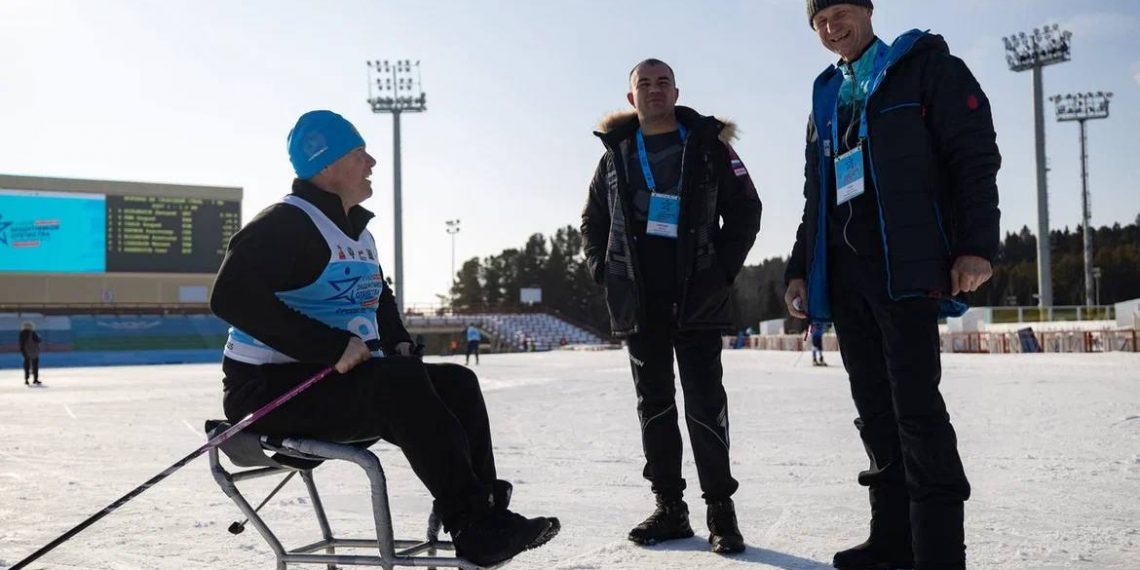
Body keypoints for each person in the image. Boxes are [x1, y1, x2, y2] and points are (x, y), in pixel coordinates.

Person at [210, 110, 559, 568]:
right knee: (395, 385)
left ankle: (483, 515)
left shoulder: (359, 232)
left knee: (457, 383)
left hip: (331, 383)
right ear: (327, 164)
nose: (371, 162)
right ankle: (472, 522)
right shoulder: (285, 223)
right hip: (269, 392)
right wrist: (331, 347)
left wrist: (397, 343)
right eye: (359, 153)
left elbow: (379, 298)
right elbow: (230, 296)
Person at [784, 3, 1000, 569]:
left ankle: (938, 552)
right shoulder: (826, 92)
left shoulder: (922, 67)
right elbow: (817, 192)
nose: (832, 26)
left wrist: (975, 244)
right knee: (874, 409)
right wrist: (799, 267)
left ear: (867, 10)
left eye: (840, 12)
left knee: (916, 410)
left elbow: (973, 155)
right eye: (820, 20)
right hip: (845, 273)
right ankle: (893, 537)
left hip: (903, 266)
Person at [581, 58, 762, 555]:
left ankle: (721, 512)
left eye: (663, 83)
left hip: (696, 297)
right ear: (631, 98)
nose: (655, 90)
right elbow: (592, 221)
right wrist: (605, 271)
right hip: (640, 301)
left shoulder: (709, 146)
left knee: (706, 404)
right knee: (654, 407)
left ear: (677, 91)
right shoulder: (614, 154)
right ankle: (670, 508)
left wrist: (719, 272)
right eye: (645, 84)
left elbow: (747, 209)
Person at [19, 321, 42, 386]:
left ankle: (26, 379)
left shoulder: (21, 333)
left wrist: (23, 351)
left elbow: (21, 343)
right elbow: (38, 340)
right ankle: (35, 379)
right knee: (35, 365)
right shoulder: (33, 333)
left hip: (25, 351)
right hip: (33, 351)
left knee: (26, 366)